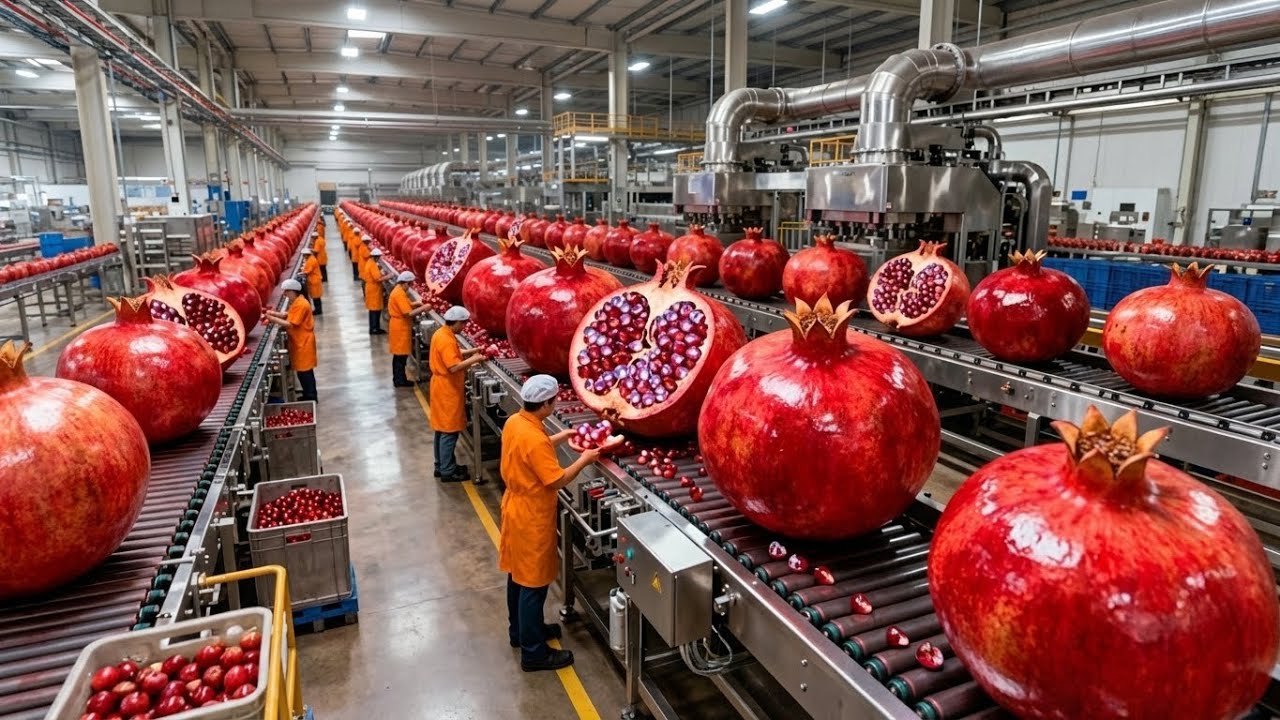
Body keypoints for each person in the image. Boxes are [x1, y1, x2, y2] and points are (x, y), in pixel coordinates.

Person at [499, 374, 602, 672]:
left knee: (517, 576)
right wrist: (585, 458)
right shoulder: (533, 437)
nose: (555, 405)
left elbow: (534, 447)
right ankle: (534, 654)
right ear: (545, 404)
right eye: (554, 401)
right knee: (533, 585)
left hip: (515, 508)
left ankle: (520, 633)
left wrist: (565, 436)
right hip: (532, 516)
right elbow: (556, 479)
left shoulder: (517, 423)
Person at [429, 306, 486, 481]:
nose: (464, 327)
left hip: (441, 386)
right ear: (458, 322)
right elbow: (453, 366)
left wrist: (473, 352)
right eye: (464, 324)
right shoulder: (446, 339)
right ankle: (447, 471)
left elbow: (454, 353)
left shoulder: (442, 333)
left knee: (441, 429)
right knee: (449, 431)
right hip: (448, 390)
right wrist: (475, 359)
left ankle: (441, 465)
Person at [263, 279, 318, 402]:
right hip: (299, 341)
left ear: (294, 291)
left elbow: (290, 324)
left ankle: (311, 396)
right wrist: (272, 313)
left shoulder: (301, 304)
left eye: (287, 292)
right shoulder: (298, 301)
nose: (285, 295)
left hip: (303, 342)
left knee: (305, 372)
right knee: (302, 371)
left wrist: (271, 318)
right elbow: (287, 315)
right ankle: (308, 394)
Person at [387, 271, 432, 388]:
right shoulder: (399, 294)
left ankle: (399, 378)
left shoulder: (399, 291)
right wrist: (424, 308)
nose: (410, 287)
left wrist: (415, 303)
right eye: (410, 284)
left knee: (400, 356)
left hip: (400, 325)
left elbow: (405, 306)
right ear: (405, 283)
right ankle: (399, 380)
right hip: (399, 327)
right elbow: (408, 313)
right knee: (400, 356)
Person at [361, 248, 392, 335]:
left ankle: (374, 327)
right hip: (373, 289)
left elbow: (376, 275)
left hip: (372, 288)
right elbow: (378, 278)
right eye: (378, 257)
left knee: (374, 309)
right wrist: (389, 276)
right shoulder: (372, 265)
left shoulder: (370, 263)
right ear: (376, 257)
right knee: (374, 310)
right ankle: (374, 329)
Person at [300, 247, 323, 316]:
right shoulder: (310, 259)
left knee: (316, 297)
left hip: (314, 281)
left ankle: (318, 310)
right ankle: (318, 309)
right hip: (313, 281)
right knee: (316, 297)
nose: (303, 257)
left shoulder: (311, 260)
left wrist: (302, 273)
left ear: (307, 254)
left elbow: (308, 271)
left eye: (304, 255)